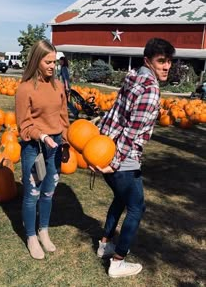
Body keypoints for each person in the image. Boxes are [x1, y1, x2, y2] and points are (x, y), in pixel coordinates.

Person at [94, 38, 175, 278]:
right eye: (161, 61)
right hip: (123, 157)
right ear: (147, 61)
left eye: (169, 61)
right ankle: (118, 262)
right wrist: (114, 163)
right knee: (137, 207)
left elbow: (113, 114)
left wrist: (101, 146)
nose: (166, 66)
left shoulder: (132, 78)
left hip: (107, 147)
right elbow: (130, 132)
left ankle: (105, 244)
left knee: (121, 199)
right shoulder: (150, 90)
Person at [15, 39, 70, 260]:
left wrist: (64, 142)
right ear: (37, 60)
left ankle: (43, 231)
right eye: (48, 61)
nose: (52, 66)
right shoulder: (25, 88)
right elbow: (24, 125)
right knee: (32, 194)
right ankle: (30, 236)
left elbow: (64, 117)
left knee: (48, 192)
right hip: (34, 148)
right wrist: (42, 135)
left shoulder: (58, 86)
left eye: (54, 62)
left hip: (55, 147)